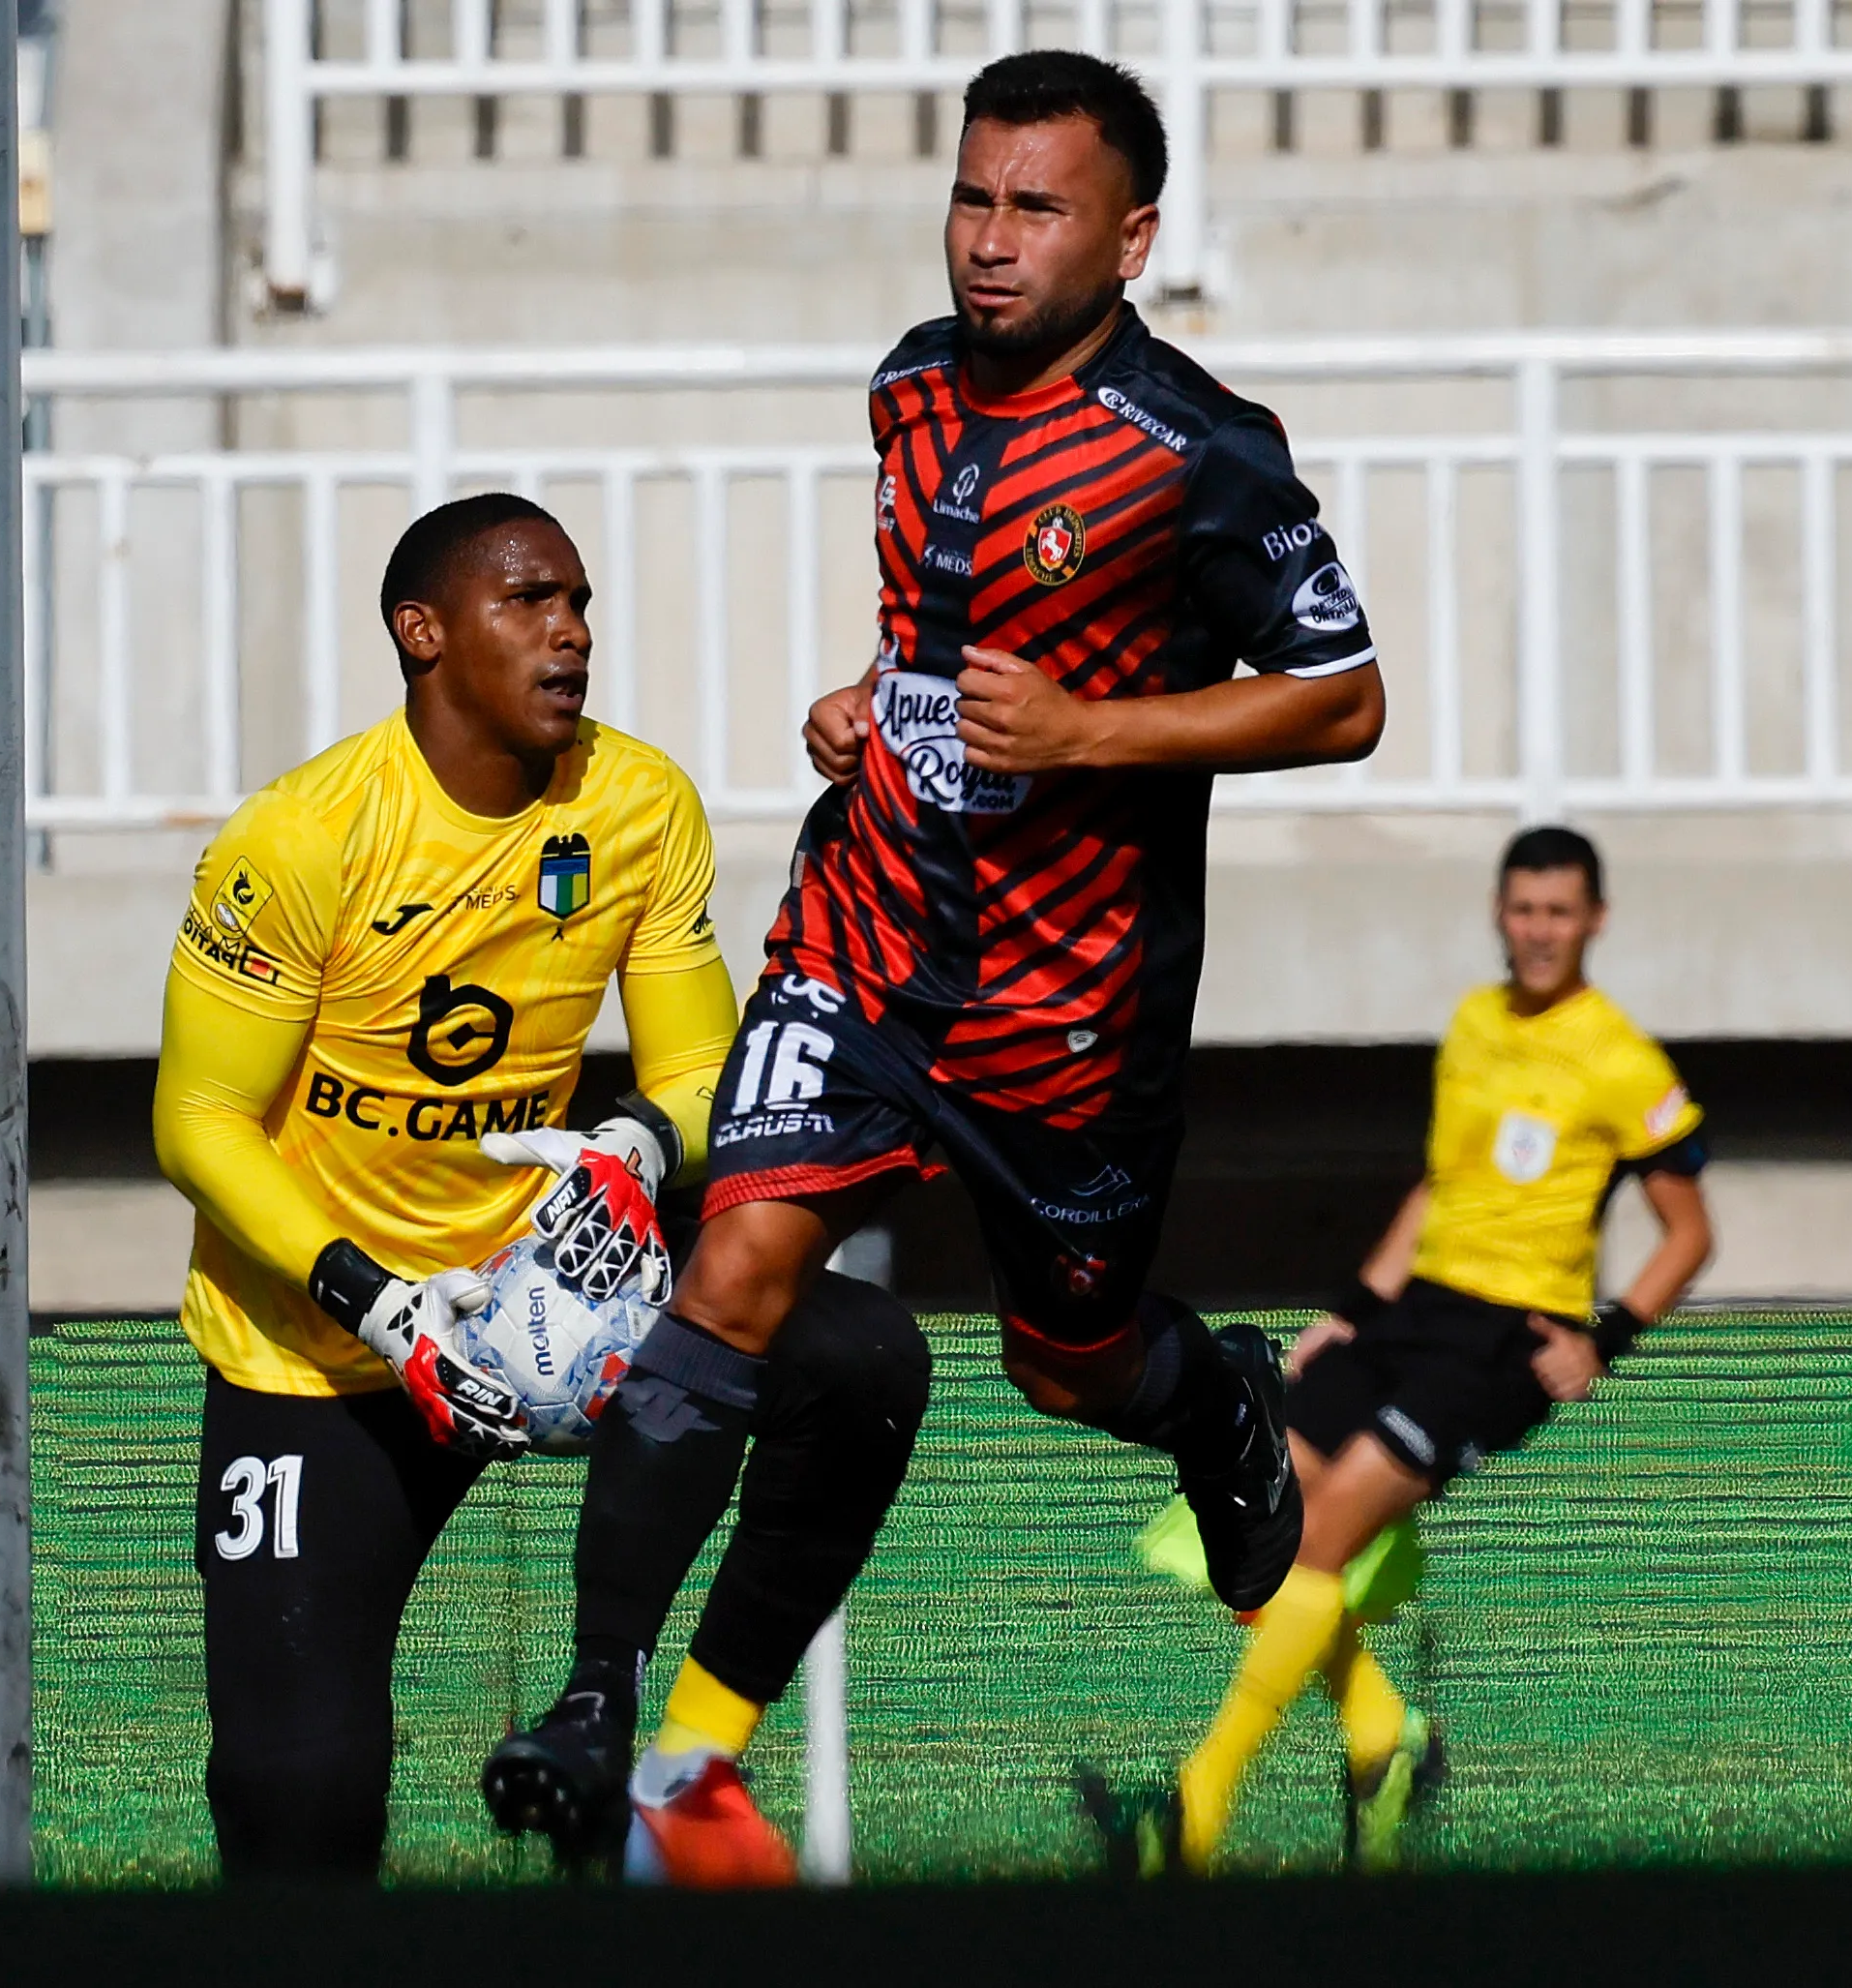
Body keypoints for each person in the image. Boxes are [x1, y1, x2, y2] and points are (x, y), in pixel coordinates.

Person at [482, 47, 1388, 1886]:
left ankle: (1215, 1400)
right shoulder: (907, 381)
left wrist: (1090, 731)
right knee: (736, 1263)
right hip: (870, 931)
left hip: (1071, 1012)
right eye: (973, 195)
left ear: (1130, 236)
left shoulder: (1202, 448)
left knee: (1070, 1365)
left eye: (1036, 207)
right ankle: (596, 1704)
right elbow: (944, 631)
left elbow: (1346, 698)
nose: (990, 237)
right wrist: (868, 702)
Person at [153, 491, 758, 1878]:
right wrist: (378, 1303)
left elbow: (700, 1068)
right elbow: (195, 1122)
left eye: (580, 602)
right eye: (529, 599)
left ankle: (638, 1730)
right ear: (422, 632)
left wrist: (636, 1146)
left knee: (859, 1356)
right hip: (324, 1356)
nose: (571, 632)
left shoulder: (639, 801)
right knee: (295, 1801)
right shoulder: (299, 836)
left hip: (545, 1300)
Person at [1086, 824, 1716, 1878]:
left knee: (1319, 1543)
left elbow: (1688, 1232)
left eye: (1559, 912)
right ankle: (1387, 1740)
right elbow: (1437, 1185)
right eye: (1524, 908)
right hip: (1412, 1310)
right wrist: (1350, 1310)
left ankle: (1193, 1815)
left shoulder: (1621, 1058)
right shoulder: (1473, 1021)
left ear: (1594, 921)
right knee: (1269, 1514)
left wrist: (1606, 1337)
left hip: (1506, 1337)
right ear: (1499, 912)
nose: (1539, 930)